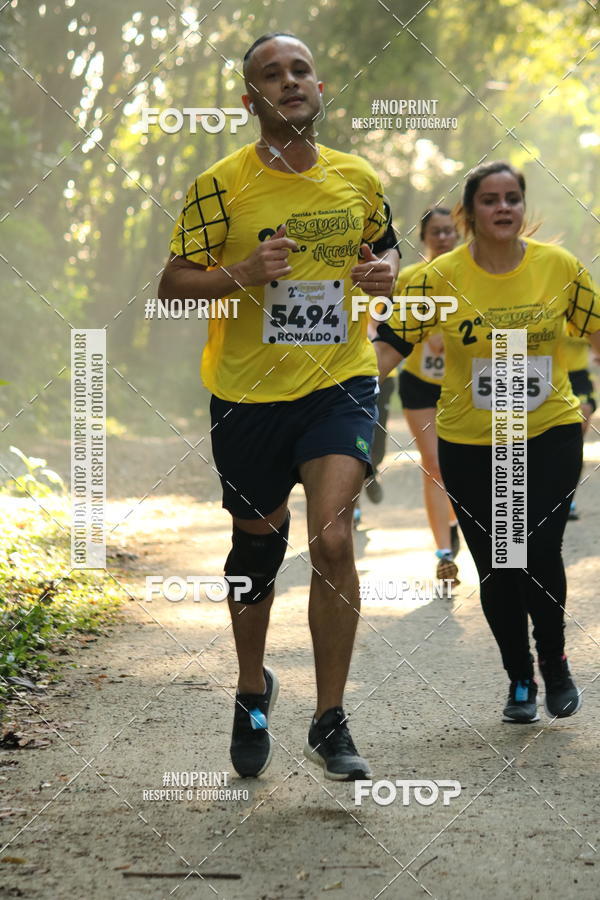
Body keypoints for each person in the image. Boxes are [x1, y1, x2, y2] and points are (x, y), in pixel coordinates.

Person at [158, 32, 399, 780]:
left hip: (340, 383)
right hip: (247, 395)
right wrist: (241, 272)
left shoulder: (357, 177)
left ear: (319, 88)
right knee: (257, 551)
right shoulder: (219, 185)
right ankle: (252, 689)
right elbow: (171, 286)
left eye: (300, 70)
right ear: (250, 99)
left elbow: (387, 246)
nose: (289, 81)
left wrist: (385, 272)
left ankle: (330, 718)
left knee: (333, 538)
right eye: (272, 74)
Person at [373, 161, 600, 724]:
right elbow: (390, 348)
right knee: (500, 562)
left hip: (548, 432)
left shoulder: (559, 267)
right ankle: (520, 678)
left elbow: (597, 334)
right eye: (491, 199)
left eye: (512, 198)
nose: (503, 208)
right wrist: (330, 388)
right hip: (471, 440)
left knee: (538, 549)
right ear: (469, 213)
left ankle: (555, 663)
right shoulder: (435, 278)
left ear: (523, 207)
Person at [395, 208, 461, 584]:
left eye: (450, 231)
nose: (443, 237)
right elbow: (387, 327)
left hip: (465, 386)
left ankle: (453, 519)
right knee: (434, 465)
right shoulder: (409, 279)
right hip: (420, 382)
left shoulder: (473, 275)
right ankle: (444, 554)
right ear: (424, 237)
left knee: (464, 467)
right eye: (436, 231)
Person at [559, 335, 597, 519]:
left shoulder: (584, 316)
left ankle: (567, 499)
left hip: (577, 376)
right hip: (545, 372)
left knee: (574, 438)